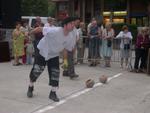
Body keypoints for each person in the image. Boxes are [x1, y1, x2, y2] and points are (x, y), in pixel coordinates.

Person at [27, 17, 74, 102]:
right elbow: (40, 29)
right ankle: (30, 87)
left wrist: (65, 61)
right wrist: (29, 33)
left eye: (73, 24)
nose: (73, 25)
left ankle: (53, 93)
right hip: (43, 51)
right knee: (37, 70)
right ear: (65, 25)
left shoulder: (70, 36)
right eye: (71, 24)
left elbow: (65, 49)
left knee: (55, 72)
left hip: (54, 54)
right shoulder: (55, 30)